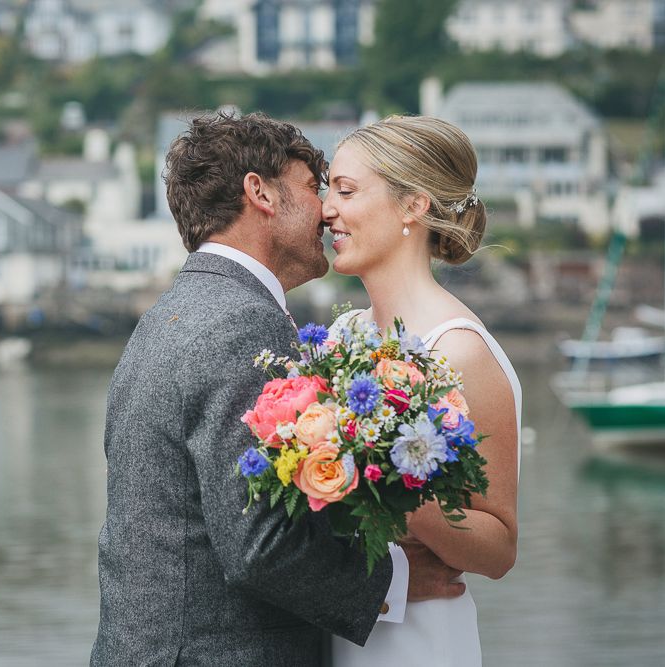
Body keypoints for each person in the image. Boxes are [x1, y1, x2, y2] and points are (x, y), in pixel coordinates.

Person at [89, 112, 465, 667]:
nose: (326, 212)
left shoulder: (170, 315)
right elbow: (259, 547)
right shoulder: (242, 323)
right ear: (259, 192)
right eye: (314, 188)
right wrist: (400, 581)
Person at [323, 115, 521, 667]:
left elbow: (500, 548)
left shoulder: (460, 351)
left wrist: (390, 492)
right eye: (327, 189)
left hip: (419, 642)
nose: (326, 209)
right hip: (341, 627)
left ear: (414, 205)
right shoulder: (342, 336)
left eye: (346, 190)